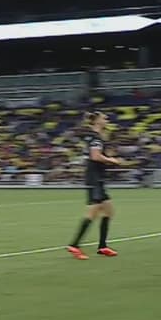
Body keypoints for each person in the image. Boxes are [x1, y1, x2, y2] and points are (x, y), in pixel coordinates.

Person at [67, 111, 122, 260]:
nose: (107, 120)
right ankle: (74, 245)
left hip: (98, 178)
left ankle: (103, 246)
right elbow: (95, 156)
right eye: (104, 118)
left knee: (109, 211)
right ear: (97, 121)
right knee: (93, 213)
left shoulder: (93, 136)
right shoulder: (95, 138)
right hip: (94, 179)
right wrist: (112, 160)